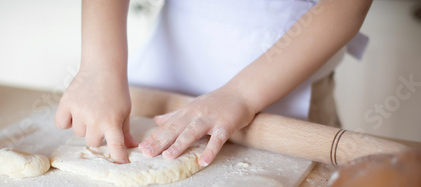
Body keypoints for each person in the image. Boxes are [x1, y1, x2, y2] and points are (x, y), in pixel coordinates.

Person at [55, 0, 372, 165]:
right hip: (165, 76)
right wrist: (99, 65)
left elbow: (346, 6)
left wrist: (242, 96)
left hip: (288, 87)